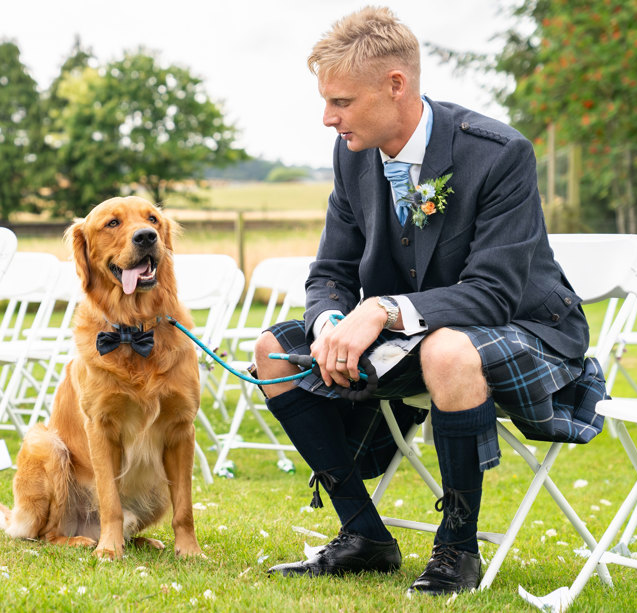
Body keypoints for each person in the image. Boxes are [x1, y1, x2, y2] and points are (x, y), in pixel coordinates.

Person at [253, 5, 607, 596]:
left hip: (525, 328)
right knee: (272, 350)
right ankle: (364, 535)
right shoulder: (352, 154)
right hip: (419, 334)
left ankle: (457, 551)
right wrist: (332, 321)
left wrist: (382, 311)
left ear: (396, 86)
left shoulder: (498, 153)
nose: (326, 118)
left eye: (340, 101)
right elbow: (330, 272)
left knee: (446, 349)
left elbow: (492, 293)